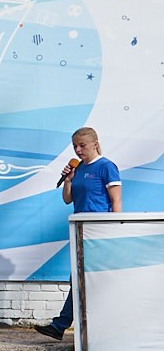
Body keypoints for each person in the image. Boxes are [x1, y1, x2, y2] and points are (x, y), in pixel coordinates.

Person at [38, 126, 124, 339]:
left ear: (95, 143)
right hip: (79, 229)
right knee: (78, 279)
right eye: (75, 146)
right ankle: (64, 325)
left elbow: (116, 200)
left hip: (98, 230)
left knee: (84, 279)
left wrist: (115, 229)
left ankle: (62, 325)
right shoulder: (79, 169)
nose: (77, 150)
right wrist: (68, 180)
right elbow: (68, 199)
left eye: (82, 145)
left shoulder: (106, 167)